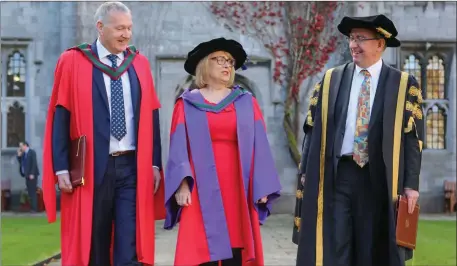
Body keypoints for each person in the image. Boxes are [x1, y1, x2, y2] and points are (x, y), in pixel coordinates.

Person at [42, 2, 165, 265]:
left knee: (128, 244)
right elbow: (61, 116)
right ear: (100, 27)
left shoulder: (139, 63)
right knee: (94, 245)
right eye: (119, 28)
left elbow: (152, 116)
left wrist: (154, 163)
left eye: (129, 28)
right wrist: (61, 167)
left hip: (131, 166)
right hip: (92, 168)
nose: (126, 34)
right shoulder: (73, 61)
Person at [294, 14, 424, 266]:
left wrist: (411, 184)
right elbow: (312, 127)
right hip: (338, 174)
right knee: (335, 242)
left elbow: (413, 139)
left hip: (380, 178)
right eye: (351, 38)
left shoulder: (403, 85)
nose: (354, 44)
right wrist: (306, 169)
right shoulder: (331, 79)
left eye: (361, 38)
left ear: (380, 44)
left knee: (372, 245)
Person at [164, 37, 282, 266]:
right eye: (220, 60)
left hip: (238, 185)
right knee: (200, 246)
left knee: (236, 245)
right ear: (205, 64)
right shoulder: (187, 103)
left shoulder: (246, 102)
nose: (227, 65)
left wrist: (262, 185)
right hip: (199, 186)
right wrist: (182, 184)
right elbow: (178, 146)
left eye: (230, 61)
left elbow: (260, 147)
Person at [17, 141, 40, 212]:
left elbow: (34, 163)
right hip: (26, 175)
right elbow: (21, 163)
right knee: (30, 191)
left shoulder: (31, 152)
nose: (20, 148)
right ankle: (32, 208)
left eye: (21, 146)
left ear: (25, 145)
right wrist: (19, 156)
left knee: (32, 191)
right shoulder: (24, 154)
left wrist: (32, 173)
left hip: (32, 175)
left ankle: (34, 209)